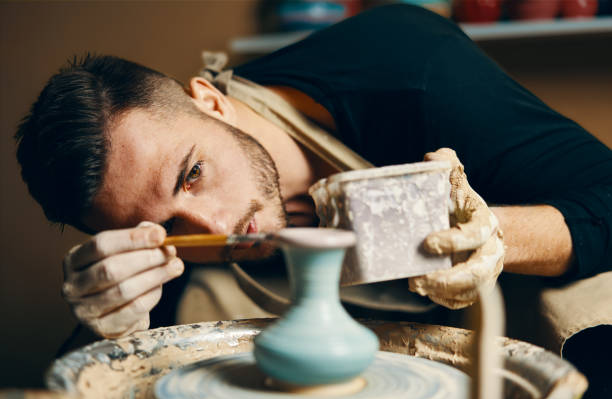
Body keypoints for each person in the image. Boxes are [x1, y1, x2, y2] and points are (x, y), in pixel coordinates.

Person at [14, 4, 612, 341]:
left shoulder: (410, 67)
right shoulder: (177, 229)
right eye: (166, 228)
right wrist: (102, 321)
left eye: (193, 174)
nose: (217, 228)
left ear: (211, 100)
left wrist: (497, 236)